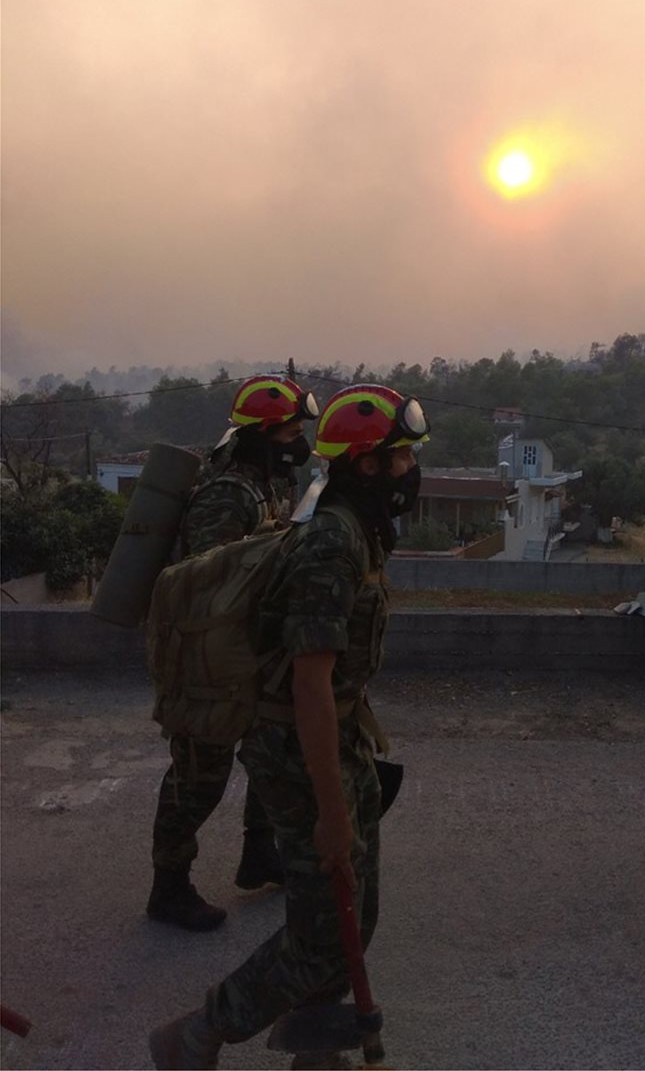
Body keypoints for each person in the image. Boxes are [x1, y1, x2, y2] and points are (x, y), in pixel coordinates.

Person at [149, 384, 429, 1069]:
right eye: (399, 458)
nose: (408, 471)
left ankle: (316, 1047)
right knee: (320, 934)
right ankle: (197, 1033)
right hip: (301, 752)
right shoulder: (331, 542)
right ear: (365, 465)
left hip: (339, 738)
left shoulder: (354, 530)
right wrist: (332, 811)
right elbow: (308, 683)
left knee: (353, 913)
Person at [147, 375, 320, 932]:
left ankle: (258, 854)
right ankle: (168, 887)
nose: (300, 440)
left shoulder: (267, 482)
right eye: (292, 430)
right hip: (208, 653)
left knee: (271, 752)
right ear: (264, 434)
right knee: (199, 774)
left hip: (251, 648)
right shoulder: (228, 493)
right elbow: (207, 582)